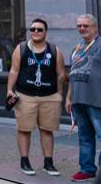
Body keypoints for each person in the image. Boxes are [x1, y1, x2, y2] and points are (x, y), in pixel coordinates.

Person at [6, 18, 65, 176]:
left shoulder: (54, 50)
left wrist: (59, 95)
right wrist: (9, 90)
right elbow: (14, 70)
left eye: (39, 29)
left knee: (47, 130)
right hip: (25, 96)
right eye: (32, 29)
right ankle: (24, 161)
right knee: (24, 129)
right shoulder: (22, 48)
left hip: (49, 97)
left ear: (45, 32)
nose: (35, 32)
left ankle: (48, 163)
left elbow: (60, 74)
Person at [67, 14, 101, 182]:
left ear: (94, 27)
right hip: (78, 99)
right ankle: (87, 169)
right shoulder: (77, 48)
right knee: (85, 137)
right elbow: (72, 74)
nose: (81, 29)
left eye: (85, 26)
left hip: (96, 99)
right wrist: (68, 98)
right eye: (79, 26)